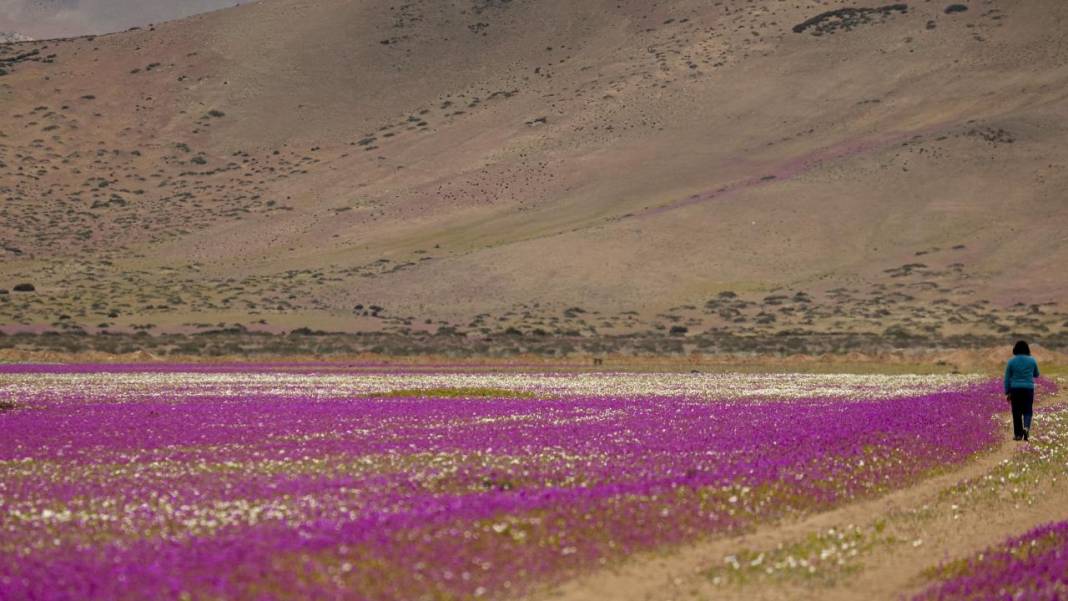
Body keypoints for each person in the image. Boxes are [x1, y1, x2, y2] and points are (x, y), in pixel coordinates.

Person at [1004, 340, 1040, 441]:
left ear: (1015, 349)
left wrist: (1007, 391)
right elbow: (1037, 374)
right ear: (1027, 349)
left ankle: (1018, 435)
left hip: (1015, 389)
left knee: (1016, 412)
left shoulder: (1011, 361)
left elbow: (1007, 378)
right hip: (1028, 389)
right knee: (1028, 409)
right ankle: (1026, 427)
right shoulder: (1032, 360)